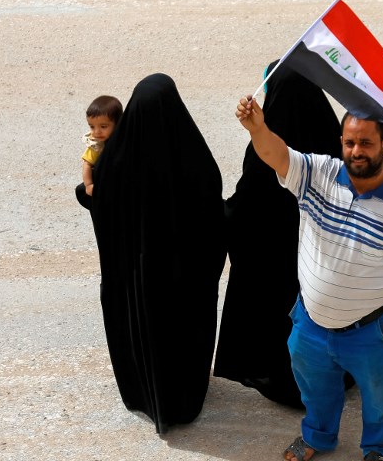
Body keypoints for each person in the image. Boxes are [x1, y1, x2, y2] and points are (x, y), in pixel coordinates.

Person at [235, 94, 383, 461]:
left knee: (380, 394)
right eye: (349, 142)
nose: (356, 151)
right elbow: (276, 154)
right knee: (314, 387)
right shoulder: (318, 173)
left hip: (371, 329)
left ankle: (380, 449)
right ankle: (318, 436)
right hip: (310, 322)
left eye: (366, 143)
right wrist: (257, 128)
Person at [90, 73, 226, 434]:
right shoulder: (193, 157)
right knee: (182, 333)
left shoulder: (115, 160)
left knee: (143, 329)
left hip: (137, 280)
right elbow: (213, 212)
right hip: (183, 279)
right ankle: (182, 400)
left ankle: (146, 394)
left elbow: (99, 204)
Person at [213, 61, 342, 409]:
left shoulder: (267, 151)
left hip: (275, 265)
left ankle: (287, 384)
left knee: (280, 320)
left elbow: (245, 208)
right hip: (322, 267)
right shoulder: (331, 139)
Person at [75, 95, 123, 210]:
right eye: (92, 127)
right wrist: (88, 185)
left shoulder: (123, 140)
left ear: (117, 123)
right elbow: (87, 164)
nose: (97, 132)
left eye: (103, 126)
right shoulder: (96, 145)